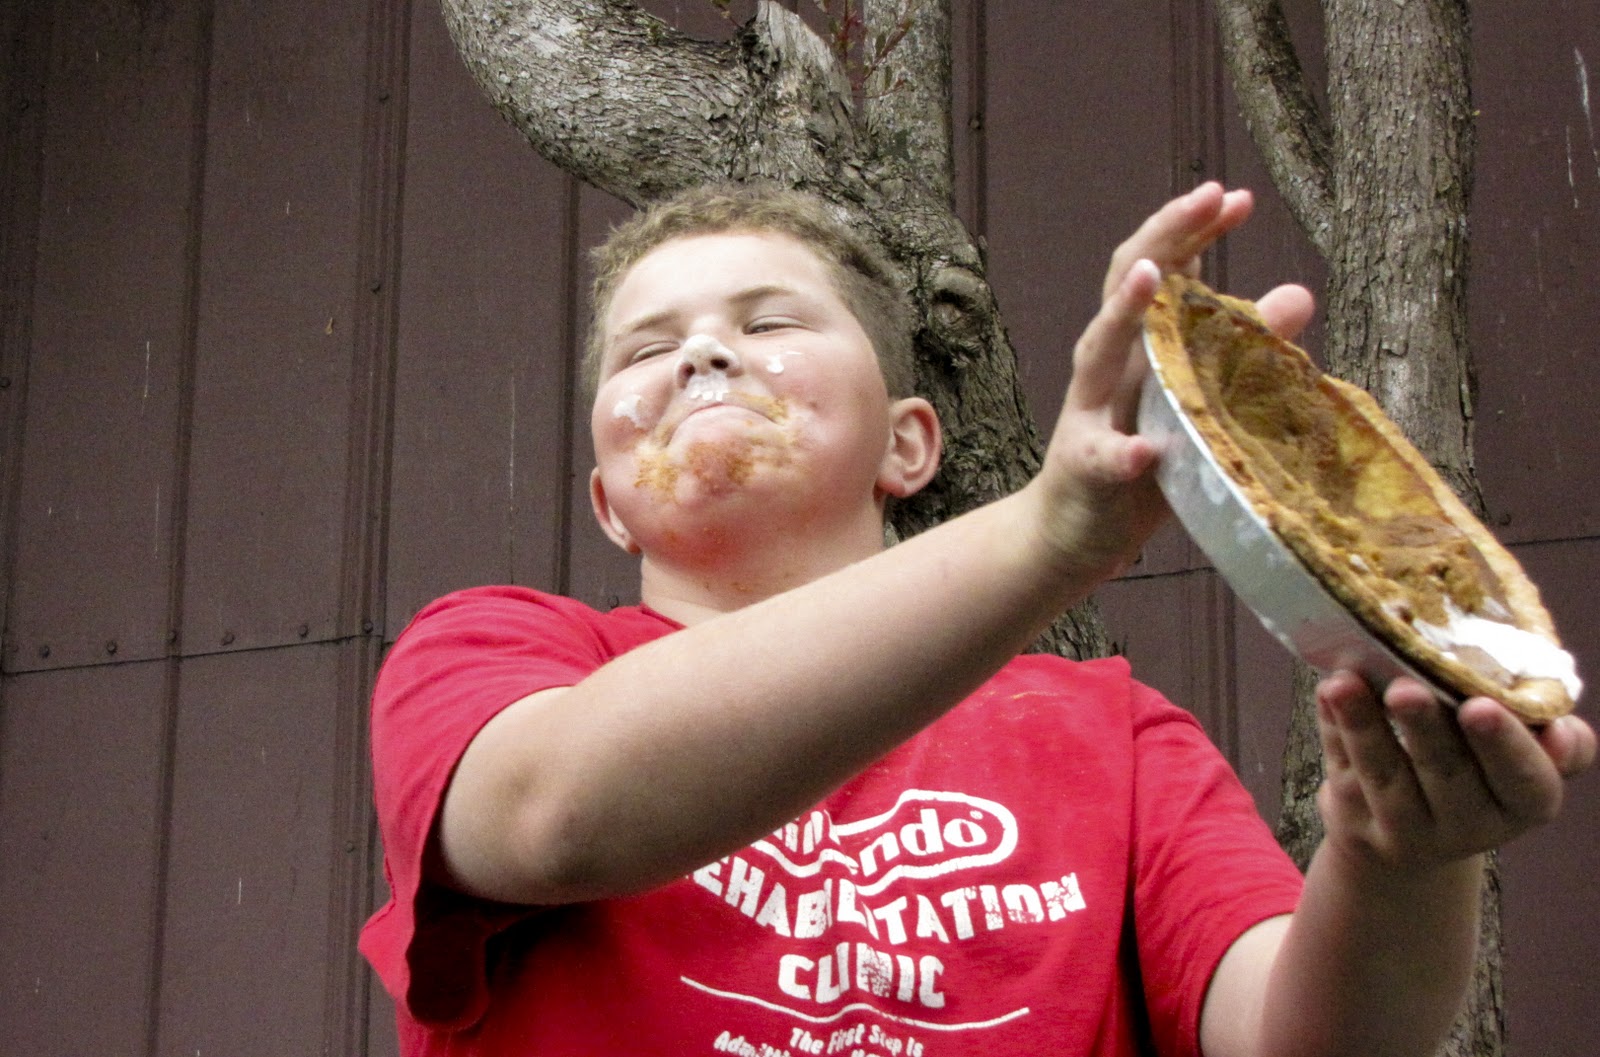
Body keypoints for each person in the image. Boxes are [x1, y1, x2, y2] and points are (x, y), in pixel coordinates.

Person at [360, 182, 1594, 1056]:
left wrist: (1402, 855)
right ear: (608, 503)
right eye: (648, 347)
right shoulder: (494, 650)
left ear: (909, 444)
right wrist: (1048, 531)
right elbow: (553, 813)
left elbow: (1298, 1039)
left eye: (769, 322)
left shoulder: (1111, 735)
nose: (703, 358)